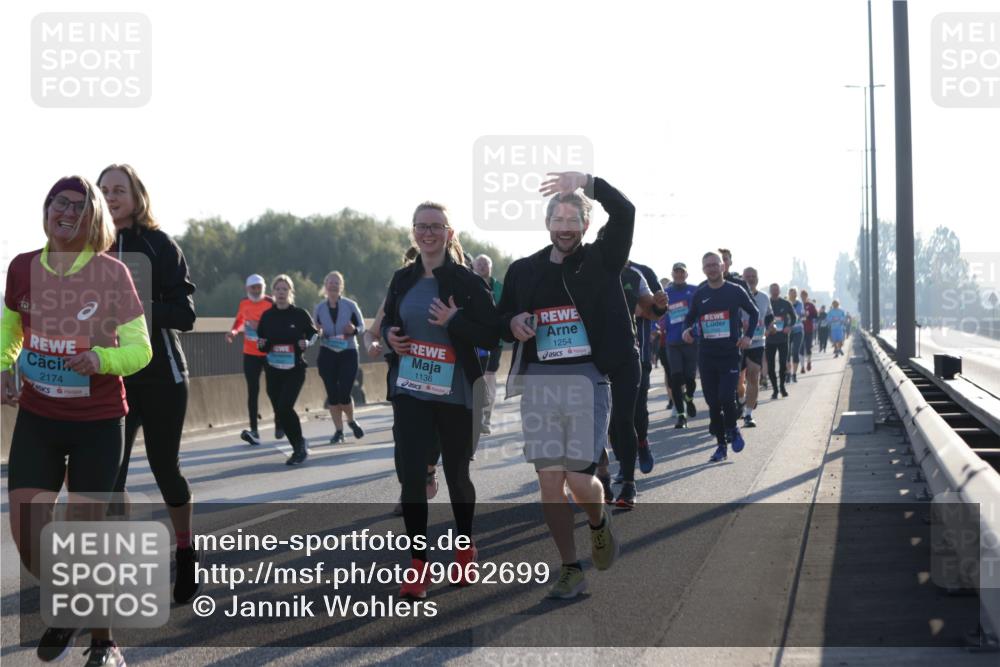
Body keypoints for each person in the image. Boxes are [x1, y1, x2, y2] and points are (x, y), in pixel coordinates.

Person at [3, 175, 152, 666]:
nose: (65, 211)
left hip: (98, 421)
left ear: (93, 218)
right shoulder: (23, 268)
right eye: (57, 202)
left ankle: (104, 643)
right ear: (45, 210)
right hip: (40, 418)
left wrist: (102, 361)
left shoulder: (112, 274)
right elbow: (9, 332)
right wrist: (5, 365)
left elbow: (140, 349)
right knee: (27, 535)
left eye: (77, 205)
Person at [498, 171, 628, 598]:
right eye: (559, 220)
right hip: (540, 383)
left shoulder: (602, 259)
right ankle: (570, 566)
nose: (566, 228)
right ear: (548, 223)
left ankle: (598, 517)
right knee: (550, 482)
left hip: (587, 379)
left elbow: (625, 211)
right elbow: (502, 320)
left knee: (577, 477)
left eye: (575, 221)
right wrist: (513, 322)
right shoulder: (523, 270)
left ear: (585, 226)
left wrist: (590, 182)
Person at [382, 202, 499, 599]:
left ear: (449, 233)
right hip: (411, 390)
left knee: (457, 476)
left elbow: (491, 334)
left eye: (435, 227)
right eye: (421, 227)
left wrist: (455, 322)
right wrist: (389, 339)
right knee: (411, 476)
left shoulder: (466, 281)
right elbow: (387, 324)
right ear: (413, 232)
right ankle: (419, 564)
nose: (427, 233)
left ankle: (464, 549)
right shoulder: (402, 279)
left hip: (455, 393)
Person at [99, 164, 203, 607]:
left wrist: (135, 310)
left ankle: (185, 551)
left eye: (118, 190)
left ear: (137, 196)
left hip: (161, 376)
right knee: (108, 477)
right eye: (102, 190)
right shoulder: (88, 249)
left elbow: (186, 315)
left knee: (165, 469)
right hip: (108, 376)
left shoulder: (159, 246)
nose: (110, 196)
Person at [683, 252, 759, 463]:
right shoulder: (700, 293)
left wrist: (748, 337)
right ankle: (720, 447)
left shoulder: (735, 290)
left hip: (729, 354)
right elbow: (689, 318)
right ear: (703, 269)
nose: (712, 269)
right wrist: (686, 331)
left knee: (726, 397)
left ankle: (733, 427)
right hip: (706, 355)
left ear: (723, 267)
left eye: (715, 265)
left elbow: (754, 313)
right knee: (712, 402)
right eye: (707, 266)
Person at [256, 274, 318, 465]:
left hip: (294, 369)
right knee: (280, 409)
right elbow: (261, 343)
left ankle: (298, 447)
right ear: (272, 293)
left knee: (285, 406)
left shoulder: (299, 314)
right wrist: (262, 344)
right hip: (273, 370)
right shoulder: (267, 316)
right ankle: (297, 442)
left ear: (290, 293)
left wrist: (306, 342)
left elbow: (314, 334)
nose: (281, 293)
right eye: (278, 289)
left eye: (285, 289)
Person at [314, 271, 366, 444]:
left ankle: (351, 420)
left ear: (341, 286)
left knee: (344, 392)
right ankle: (339, 431)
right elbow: (316, 330)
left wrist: (354, 330)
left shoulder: (350, 305)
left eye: (337, 283)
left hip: (348, 352)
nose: (333, 285)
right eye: (330, 282)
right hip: (327, 353)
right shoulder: (319, 308)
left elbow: (362, 326)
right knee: (332, 394)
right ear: (325, 286)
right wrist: (318, 332)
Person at [226, 274, 279, 445]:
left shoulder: (270, 303)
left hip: (269, 353)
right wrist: (233, 332)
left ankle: (280, 423)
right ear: (247, 289)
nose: (256, 290)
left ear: (263, 288)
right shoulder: (244, 303)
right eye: (253, 288)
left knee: (273, 390)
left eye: (259, 287)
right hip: (250, 353)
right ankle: (254, 430)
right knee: (252, 391)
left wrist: (262, 326)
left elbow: (279, 323)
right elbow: (240, 319)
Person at [472, 254, 504, 435]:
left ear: (490, 267)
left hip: (494, 340)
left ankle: (486, 416)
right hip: (473, 339)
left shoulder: (499, 288)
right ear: (474, 266)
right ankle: (475, 416)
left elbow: (506, 308)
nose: (482, 266)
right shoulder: (468, 285)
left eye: (486, 263)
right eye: (479, 263)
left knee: (489, 376)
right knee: (476, 378)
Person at [665, 262, 699, 428]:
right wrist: (657, 326)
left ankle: (689, 399)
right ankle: (681, 415)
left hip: (690, 341)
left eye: (682, 272)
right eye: (676, 272)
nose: (679, 275)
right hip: (672, 342)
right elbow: (658, 313)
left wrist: (695, 331)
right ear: (672, 274)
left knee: (690, 379)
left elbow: (701, 312)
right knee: (676, 379)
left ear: (686, 274)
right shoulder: (666, 293)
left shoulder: (694, 290)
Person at [740, 267, 773, 427]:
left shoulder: (764, 298)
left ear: (758, 279)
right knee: (737, 382)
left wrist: (768, 325)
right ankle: (741, 398)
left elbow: (769, 316)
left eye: (753, 276)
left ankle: (748, 414)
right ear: (742, 278)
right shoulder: (737, 295)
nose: (751, 279)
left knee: (753, 375)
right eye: (748, 276)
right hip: (738, 344)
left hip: (757, 342)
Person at [765, 283, 796, 399]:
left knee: (783, 364)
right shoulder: (766, 303)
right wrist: (766, 329)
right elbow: (760, 317)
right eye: (773, 290)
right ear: (770, 291)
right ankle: (775, 389)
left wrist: (789, 326)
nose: (775, 292)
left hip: (783, 338)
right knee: (771, 366)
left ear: (779, 291)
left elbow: (794, 317)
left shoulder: (785, 303)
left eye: (776, 290)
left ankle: (782, 387)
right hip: (770, 339)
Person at [787, 287, 804, 383]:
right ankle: (788, 373)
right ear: (789, 294)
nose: (793, 295)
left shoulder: (799, 304)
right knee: (787, 353)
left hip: (798, 330)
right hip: (788, 331)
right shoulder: (786, 303)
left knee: (795, 352)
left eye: (794, 293)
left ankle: (794, 374)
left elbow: (799, 314)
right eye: (791, 293)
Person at [800, 289, 818, 372]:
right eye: (802, 295)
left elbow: (815, 315)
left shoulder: (810, 305)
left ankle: (809, 362)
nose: (803, 297)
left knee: (808, 347)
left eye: (804, 295)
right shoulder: (799, 305)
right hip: (799, 329)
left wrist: (809, 314)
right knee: (800, 348)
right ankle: (802, 367)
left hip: (808, 329)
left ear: (807, 296)